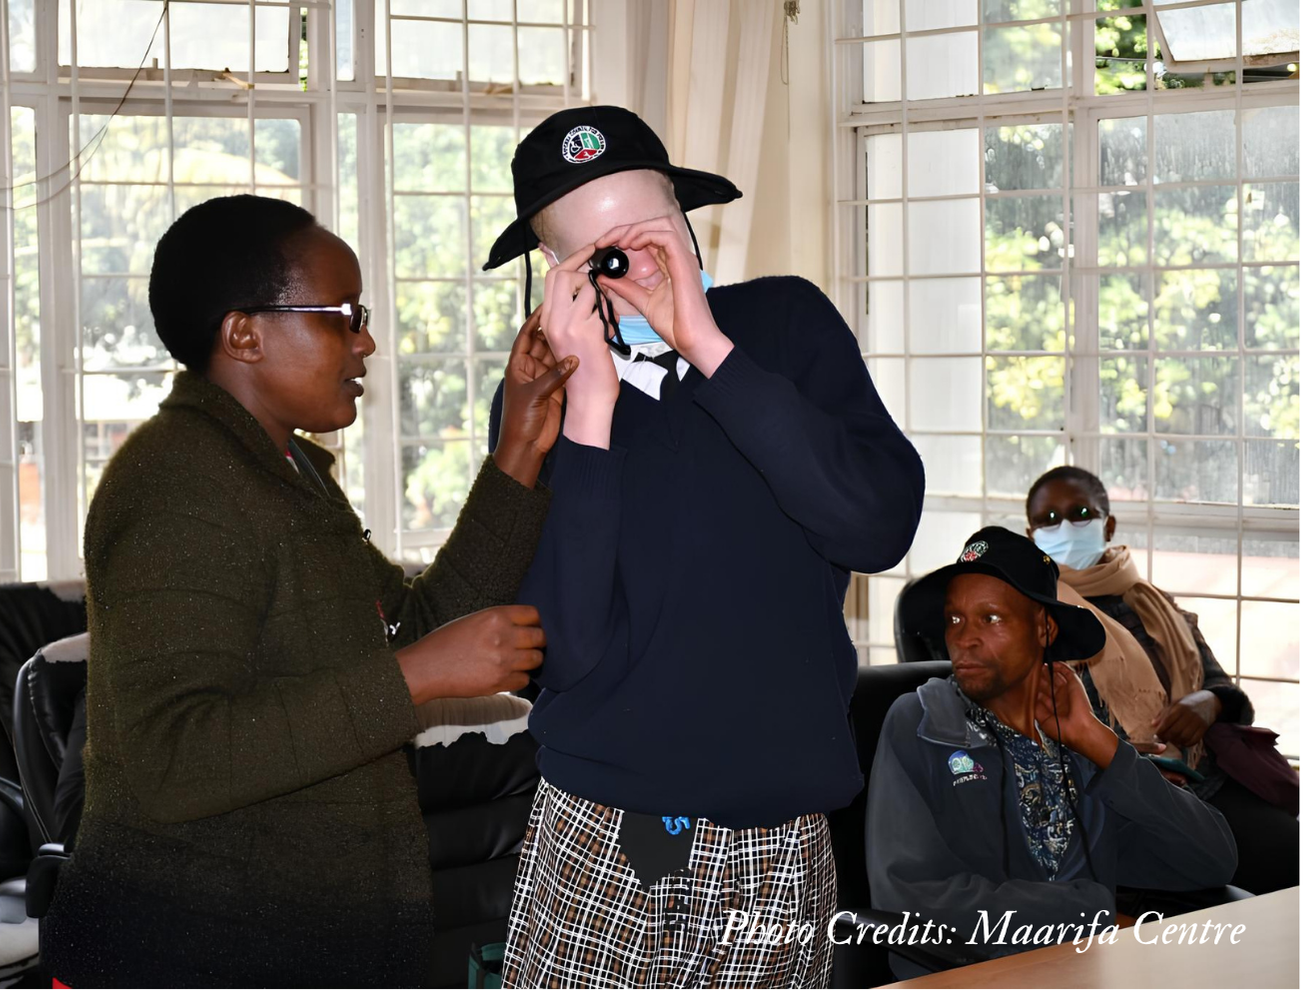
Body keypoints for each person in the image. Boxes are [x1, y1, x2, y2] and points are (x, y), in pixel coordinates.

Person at [41, 194, 577, 986]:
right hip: (193, 951)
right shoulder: (176, 481)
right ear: (245, 333)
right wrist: (420, 674)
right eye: (342, 315)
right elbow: (173, 756)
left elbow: (409, 629)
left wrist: (519, 449)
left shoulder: (285, 471)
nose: (366, 342)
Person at [482, 106, 925, 988]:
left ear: (689, 220)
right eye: (606, 256)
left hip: (777, 828)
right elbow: (557, 650)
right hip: (603, 827)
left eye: (656, 236)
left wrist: (710, 350)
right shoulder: (543, 394)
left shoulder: (786, 326)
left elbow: (877, 526)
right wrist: (593, 416)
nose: (641, 267)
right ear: (561, 275)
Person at [866, 526, 1238, 978]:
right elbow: (909, 897)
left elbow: (1211, 859)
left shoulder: (1073, 740)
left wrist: (1099, 741)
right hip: (968, 977)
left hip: (1081, 972)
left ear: (1044, 628)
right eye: (956, 619)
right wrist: (1091, 915)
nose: (964, 638)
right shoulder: (923, 724)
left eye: (991, 619)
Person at [1026, 465, 1299, 894]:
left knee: (1291, 857)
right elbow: (1026, 729)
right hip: (1112, 797)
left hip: (1202, 781)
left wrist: (1207, 703)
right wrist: (1116, 754)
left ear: (1108, 524)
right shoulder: (1034, 618)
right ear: (1031, 535)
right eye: (1050, 520)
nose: (1066, 527)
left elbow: (1228, 693)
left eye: (1080, 513)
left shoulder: (1152, 604)